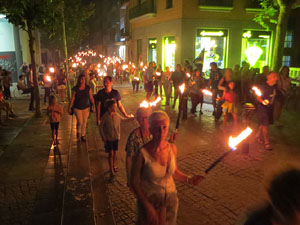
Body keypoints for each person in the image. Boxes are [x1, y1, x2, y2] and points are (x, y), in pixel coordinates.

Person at [131, 111, 204, 225]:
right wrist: (148, 206)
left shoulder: (172, 148)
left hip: (170, 201)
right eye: (157, 128)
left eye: (164, 127)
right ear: (150, 129)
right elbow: (134, 183)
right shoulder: (141, 154)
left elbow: (173, 173)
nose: (161, 132)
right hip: (150, 201)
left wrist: (189, 179)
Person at [99, 99, 133, 180]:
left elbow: (124, 120)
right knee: (110, 153)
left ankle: (114, 164)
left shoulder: (117, 115)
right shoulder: (105, 117)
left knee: (114, 153)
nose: (116, 108)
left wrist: (131, 118)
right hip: (108, 138)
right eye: (114, 106)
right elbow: (100, 127)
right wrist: (103, 137)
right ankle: (111, 169)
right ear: (109, 108)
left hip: (115, 138)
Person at [125, 107, 152, 187]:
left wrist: (171, 142)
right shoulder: (134, 136)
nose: (144, 121)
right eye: (141, 118)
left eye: (146, 118)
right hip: (140, 175)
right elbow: (129, 157)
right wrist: (129, 177)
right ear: (137, 120)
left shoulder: (154, 132)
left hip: (153, 174)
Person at [68, 74, 96, 142]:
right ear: (79, 80)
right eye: (81, 79)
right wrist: (70, 107)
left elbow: (91, 97)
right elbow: (73, 98)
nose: (83, 80)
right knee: (80, 121)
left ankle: (83, 135)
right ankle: (78, 132)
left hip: (86, 107)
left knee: (84, 122)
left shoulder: (88, 88)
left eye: (84, 79)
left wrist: (93, 105)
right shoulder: (76, 88)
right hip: (77, 107)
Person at [255, 72, 278, 151]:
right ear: (269, 78)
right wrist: (262, 101)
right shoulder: (263, 86)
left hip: (269, 108)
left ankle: (257, 135)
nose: (276, 78)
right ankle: (267, 142)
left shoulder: (275, 86)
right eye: (274, 76)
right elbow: (258, 97)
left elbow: (276, 96)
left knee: (263, 122)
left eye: (276, 76)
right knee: (265, 124)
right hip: (262, 107)